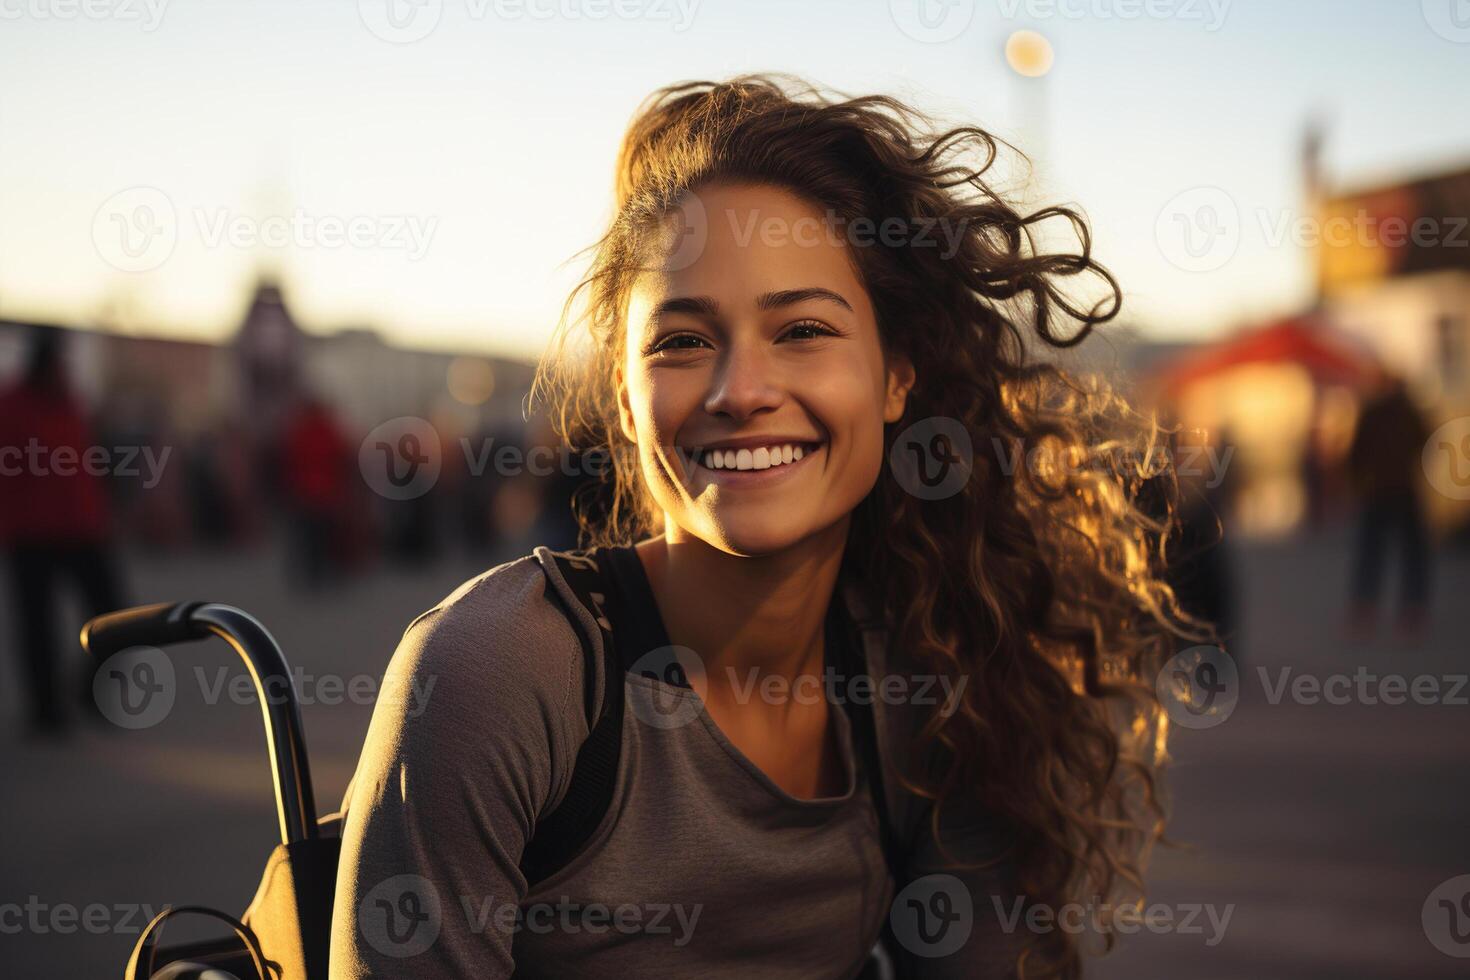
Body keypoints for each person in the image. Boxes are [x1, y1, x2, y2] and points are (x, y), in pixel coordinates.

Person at [331, 76, 1194, 979]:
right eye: (682, 342)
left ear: (897, 376)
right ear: (625, 400)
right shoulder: (501, 673)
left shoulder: (932, 668)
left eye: (803, 330)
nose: (740, 390)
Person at [0, 326, 129, 736]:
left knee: (113, 614)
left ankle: (89, 691)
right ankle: (46, 710)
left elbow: (87, 469)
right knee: (37, 624)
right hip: (31, 533)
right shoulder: (11, 406)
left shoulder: (71, 403)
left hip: (83, 529)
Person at [1346, 372, 1432, 638]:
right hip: (1404, 488)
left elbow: (1355, 454)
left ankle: (1366, 611)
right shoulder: (1409, 411)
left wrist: (1358, 481)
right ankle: (1411, 611)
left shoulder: (1373, 413)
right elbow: (1425, 442)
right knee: (1411, 553)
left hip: (1377, 490)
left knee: (1372, 552)